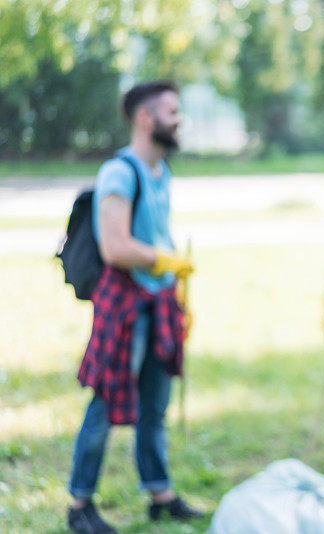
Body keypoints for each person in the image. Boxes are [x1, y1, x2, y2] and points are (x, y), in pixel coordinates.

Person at [67, 81, 202, 534]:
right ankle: (79, 504)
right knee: (106, 402)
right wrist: (163, 259)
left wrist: (174, 285)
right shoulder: (119, 173)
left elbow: (156, 235)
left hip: (159, 301)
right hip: (124, 305)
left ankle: (159, 493)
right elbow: (115, 247)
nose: (178, 119)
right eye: (172, 111)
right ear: (146, 118)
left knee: (154, 406)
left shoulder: (161, 171)